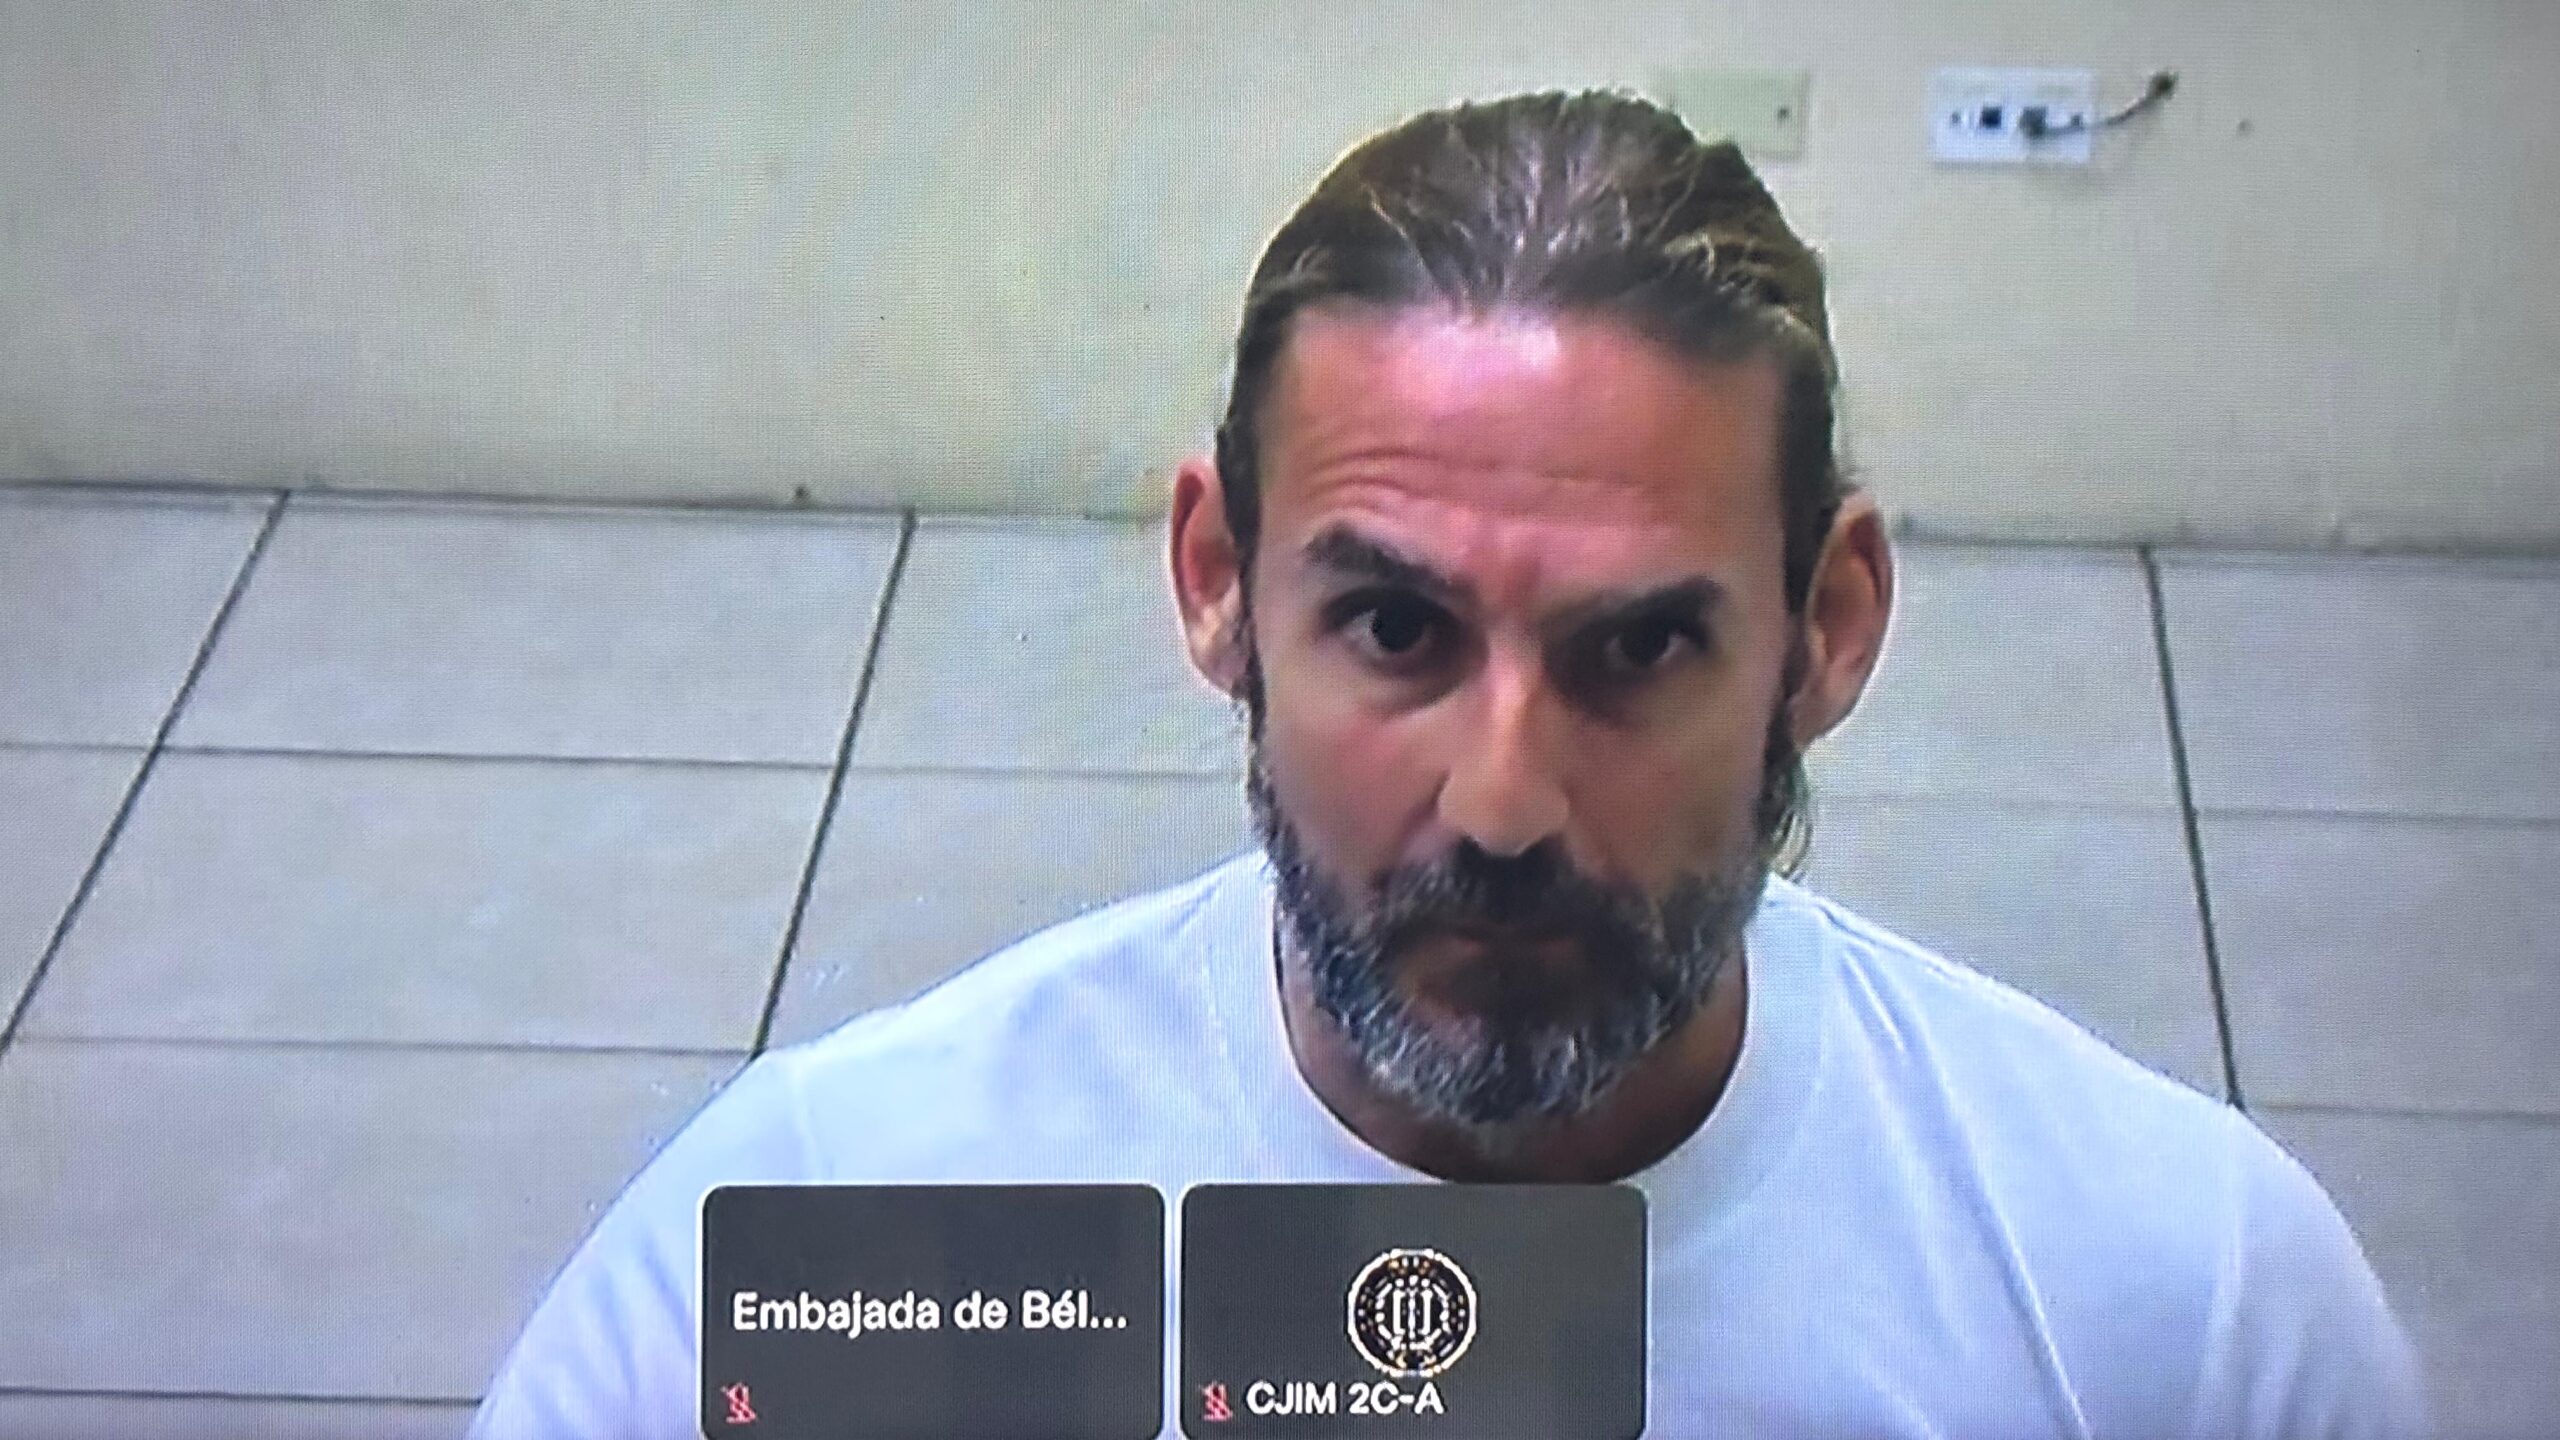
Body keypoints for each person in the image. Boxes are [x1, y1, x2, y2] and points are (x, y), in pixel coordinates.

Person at [469, 90, 2425, 1437]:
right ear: (1217, 587)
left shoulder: (2178, 1319)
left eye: (1635, 649)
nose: (1499, 804)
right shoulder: (829, 1231)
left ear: (1826, 626)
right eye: (1396, 632)